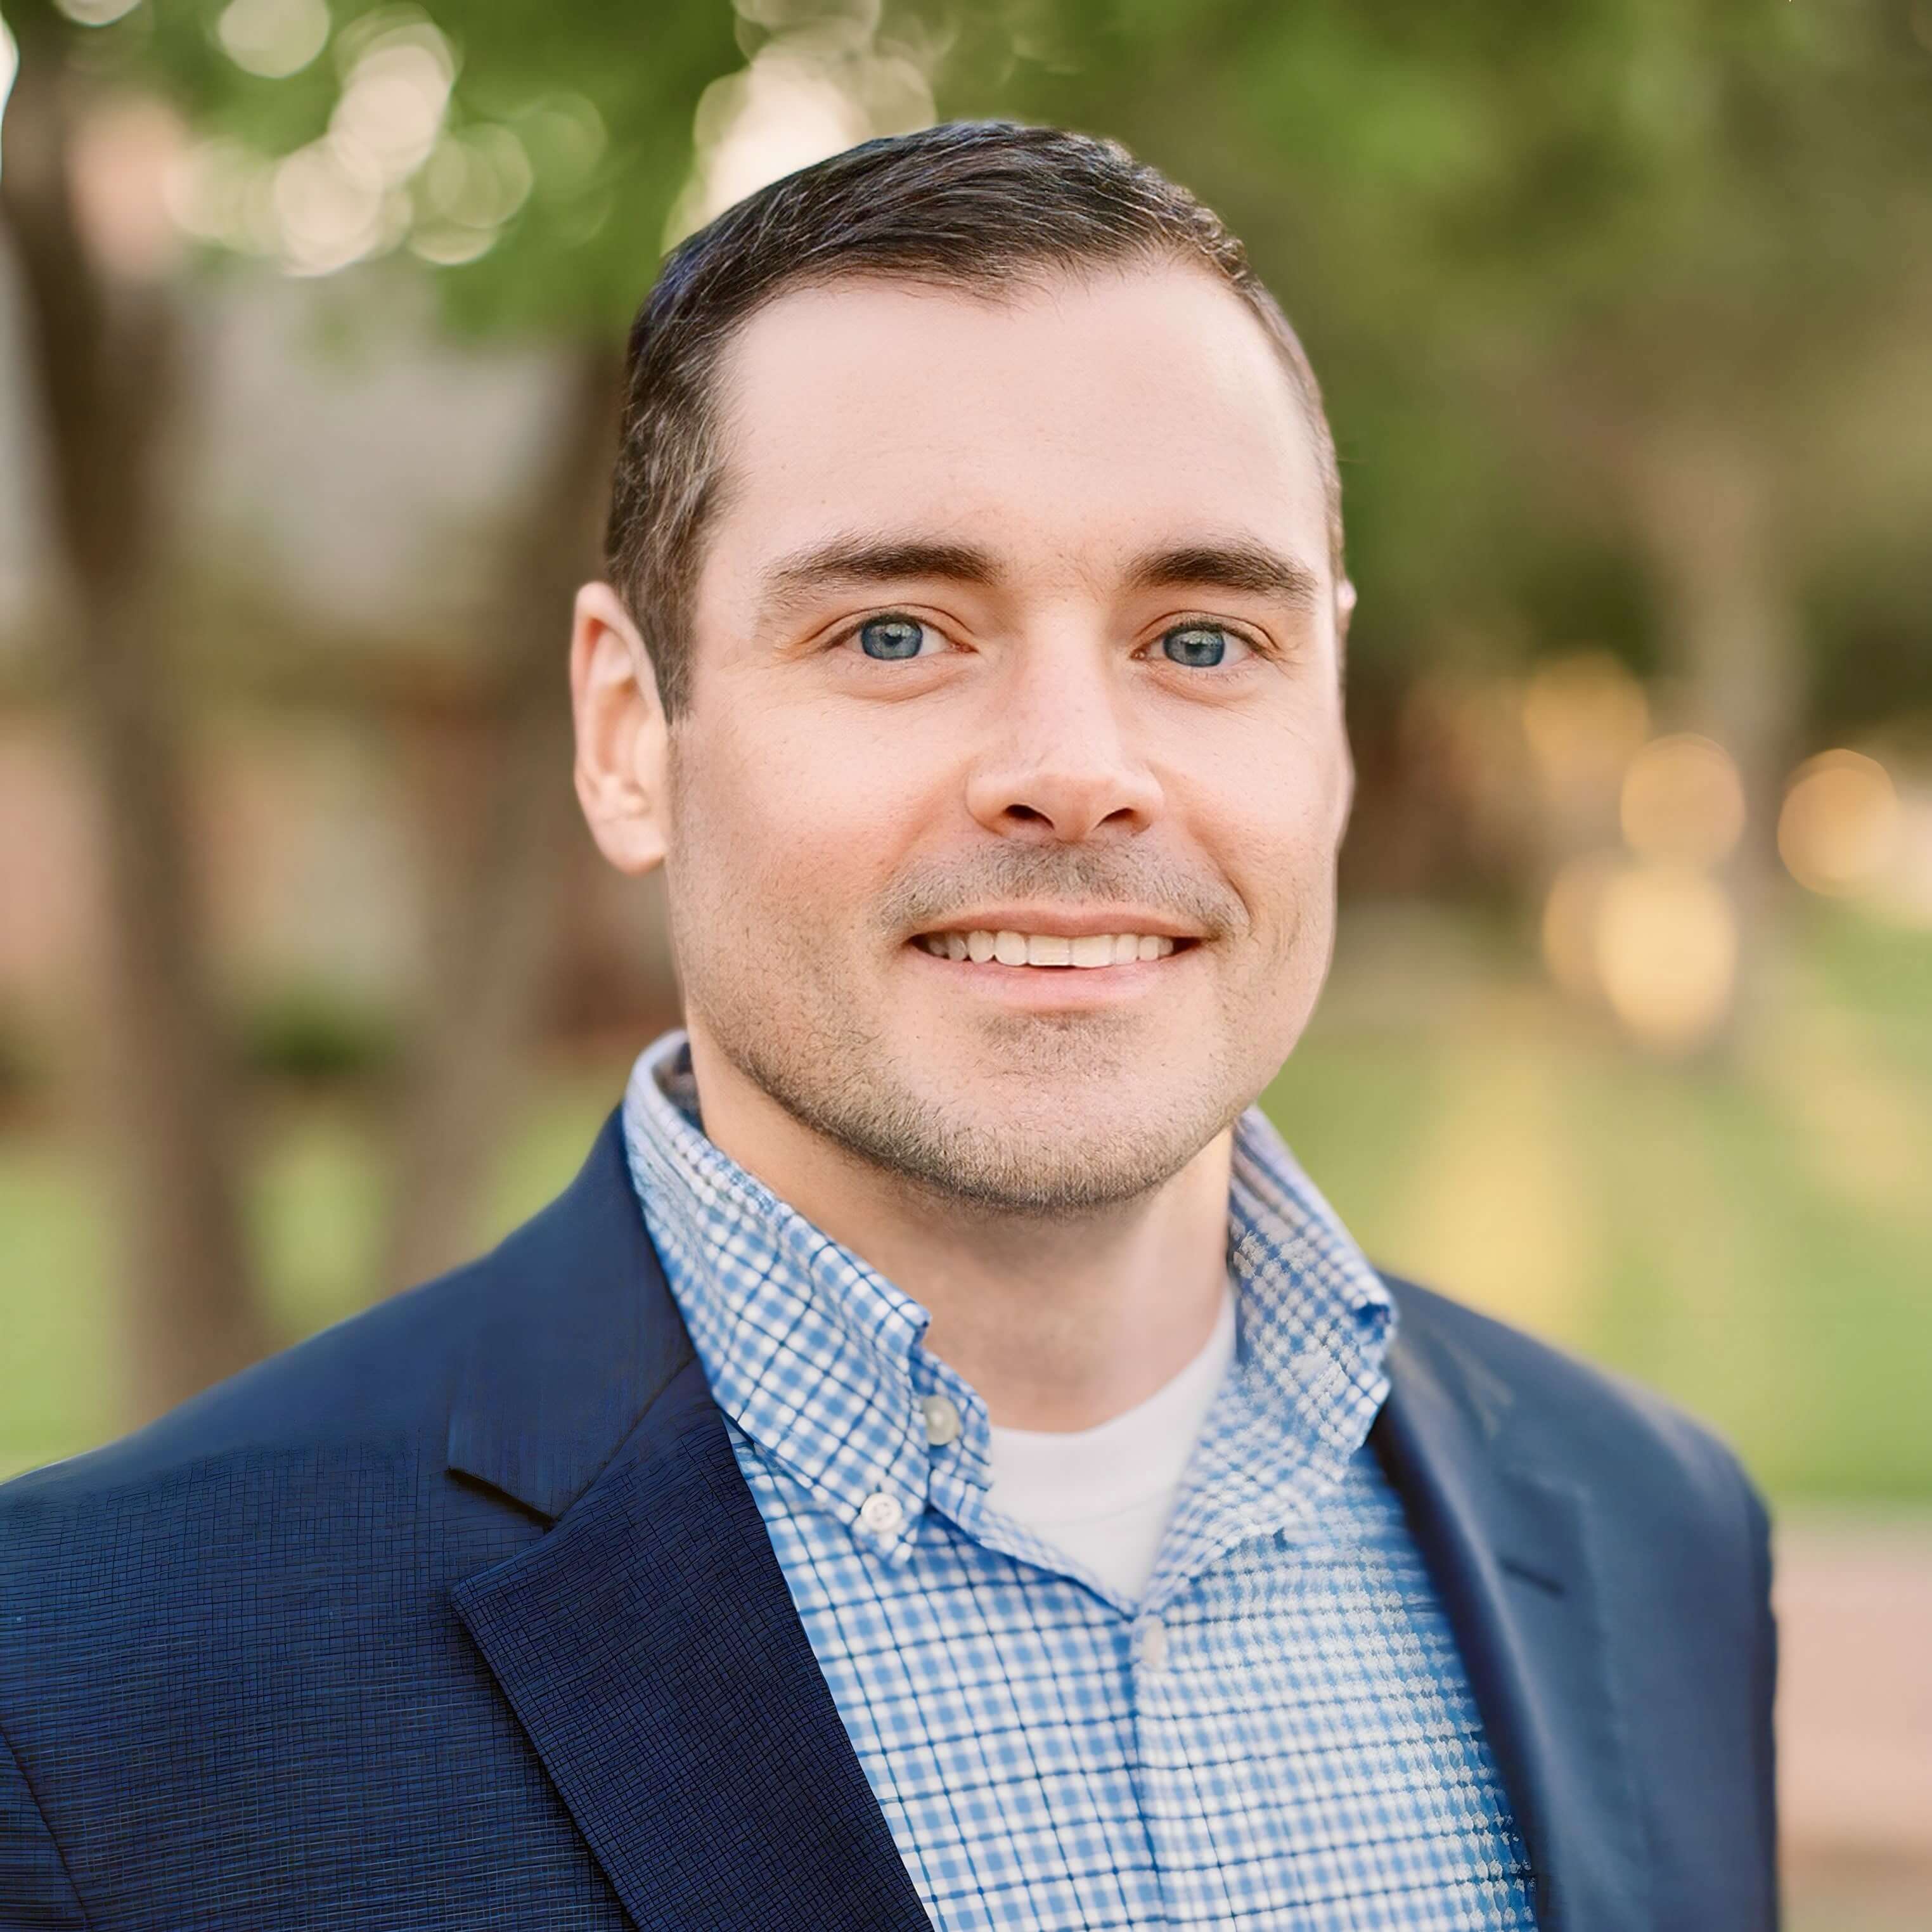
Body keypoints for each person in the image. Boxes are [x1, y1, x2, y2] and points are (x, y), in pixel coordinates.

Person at [0, 122, 1776, 1932]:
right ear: (628, 734)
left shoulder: (1656, 1538)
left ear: (1325, 724)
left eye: (1204, 641)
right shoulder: (88, 1684)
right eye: (898, 635)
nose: (1078, 774)